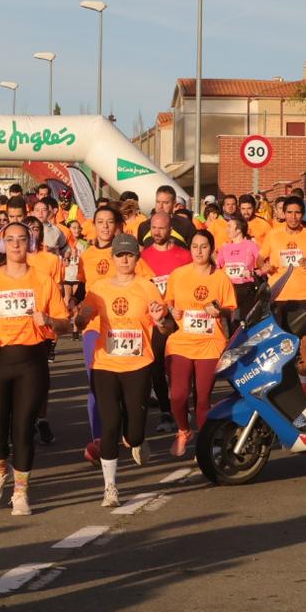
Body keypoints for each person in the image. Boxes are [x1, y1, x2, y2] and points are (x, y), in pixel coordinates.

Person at [0, 220, 71, 516]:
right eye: (10, 239)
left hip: (30, 360)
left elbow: (64, 323)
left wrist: (49, 321)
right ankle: (0, 468)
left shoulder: (43, 280)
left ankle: (21, 492)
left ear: (31, 243)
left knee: (23, 428)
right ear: (2, 244)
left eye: (22, 239)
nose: (15, 245)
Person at [74, 233, 162, 506]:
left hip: (138, 363)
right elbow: (81, 319)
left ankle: (137, 438)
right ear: (112, 258)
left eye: (130, 254)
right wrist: (82, 316)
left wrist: (162, 320)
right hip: (106, 363)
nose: (124, 259)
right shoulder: (99, 288)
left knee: (133, 432)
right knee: (110, 424)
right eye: (120, 255)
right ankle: (110, 487)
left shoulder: (147, 287)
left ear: (137, 257)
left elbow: (166, 326)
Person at [160, 229, 237, 458]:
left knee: (202, 399)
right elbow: (168, 305)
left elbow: (230, 310)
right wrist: (171, 310)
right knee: (178, 395)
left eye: (204, 246)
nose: (199, 251)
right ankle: (184, 430)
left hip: (210, 343)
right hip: (181, 342)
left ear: (211, 249)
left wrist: (219, 310)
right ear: (189, 249)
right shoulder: (178, 275)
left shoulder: (220, 277)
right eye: (195, 246)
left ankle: (204, 445)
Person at [259, 195, 306, 385]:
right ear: (283, 213)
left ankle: (303, 386)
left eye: (297, 212)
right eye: (289, 212)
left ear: (302, 214)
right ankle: (282, 386)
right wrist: (264, 266)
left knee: (304, 342)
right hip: (279, 296)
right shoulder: (273, 234)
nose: (293, 217)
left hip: (305, 296)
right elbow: (260, 258)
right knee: (281, 345)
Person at [140, 214, 192, 432]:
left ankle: (182, 405)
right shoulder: (143, 258)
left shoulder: (185, 256)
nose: (157, 233)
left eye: (161, 228)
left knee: (180, 366)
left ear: (170, 229)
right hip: (156, 319)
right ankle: (165, 411)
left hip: (180, 317)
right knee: (157, 365)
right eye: (154, 228)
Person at [217, 213, 265, 321]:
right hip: (229, 288)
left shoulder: (251, 245)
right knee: (231, 322)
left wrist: (254, 273)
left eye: (229, 226)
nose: (227, 229)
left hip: (246, 288)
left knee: (245, 321)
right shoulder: (225, 247)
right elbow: (217, 267)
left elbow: (263, 267)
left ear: (238, 230)